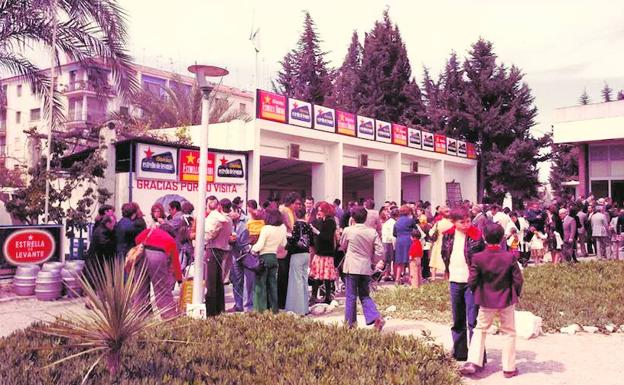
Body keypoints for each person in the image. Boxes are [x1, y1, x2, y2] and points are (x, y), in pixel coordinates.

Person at [460, 223, 523, 378]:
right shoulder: (509, 257)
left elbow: (472, 280)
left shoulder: (478, 257)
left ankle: (473, 362)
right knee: (509, 332)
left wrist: (478, 293)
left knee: (480, 329)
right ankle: (509, 368)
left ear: (483, 237)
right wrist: (516, 294)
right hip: (507, 299)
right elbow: (518, 280)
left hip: (486, 300)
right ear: (502, 238)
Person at [440, 207, 485, 362]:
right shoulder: (448, 236)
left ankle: (476, 356)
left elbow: (483, 259)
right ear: (453, 222)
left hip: (472, 283)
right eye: (462, 222)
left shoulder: (477, 236)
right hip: (455, 281)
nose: (466, 224)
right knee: (458, 319)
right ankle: (460, 353)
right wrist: (448, 271)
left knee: (473, 320)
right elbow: (444, 254)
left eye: (468, 221)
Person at [339, 206, 385, 331]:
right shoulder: (372, 232)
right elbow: (380, 251)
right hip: (365, 267)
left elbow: (342, 245)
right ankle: (376, 317)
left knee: (351, 296)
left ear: (352, 218)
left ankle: (350, 325)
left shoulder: (348, 230)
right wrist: (373, 260)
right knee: (365, 295)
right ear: (365, 218)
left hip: (351, 266)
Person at [134, 223, 183, 319]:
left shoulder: (149, 231)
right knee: (162, 289)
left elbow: (137, 239)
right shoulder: (170, 240)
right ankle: (169, 317)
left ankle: (141, 318)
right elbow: (175, 263)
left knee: (141, 289)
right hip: (157, 257)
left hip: (141, 255)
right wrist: (179, 280)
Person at [251, 208, 287, 313]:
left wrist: (252, 248)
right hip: (274, 257)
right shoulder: (282, 228)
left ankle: (260, 310)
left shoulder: (266, 228)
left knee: (260, 285)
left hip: (264, 257)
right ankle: (273, 309)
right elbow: (284, 243)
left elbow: (260, 245)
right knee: (272, 284)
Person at [204, 198, 233, 316]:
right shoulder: (229, 220)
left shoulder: (215, 217)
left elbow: (209, 235)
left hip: (212, 250)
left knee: (211, 283)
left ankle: (211, 312)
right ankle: (220, 309)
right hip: (221, 250)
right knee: (218, 282)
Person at [285, 208, 314, 315]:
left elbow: (294, 239)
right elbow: (312, 241)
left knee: (296, 280)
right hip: (306, 254)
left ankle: (297, 309)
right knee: (303, 279)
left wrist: (287, 240)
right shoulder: (308, 226)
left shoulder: (297, 225)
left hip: (297, 254)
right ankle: (305, 308)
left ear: (295, 214)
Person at [309, 202, 338, 305]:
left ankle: (327, 296)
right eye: (318, 210)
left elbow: (326, 236)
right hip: (319, 251)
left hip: (327, 252)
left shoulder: (330, 222)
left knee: (327, 277)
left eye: (321, 210)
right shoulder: (320, 221)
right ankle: (314, 296)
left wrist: (316, 232)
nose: (319, 212)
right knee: (316, 275)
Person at [278, 192, 302, 309]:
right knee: (284, 274)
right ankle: (282, 302)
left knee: (287, 274)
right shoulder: (285, 211)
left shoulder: (290, 211)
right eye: (297, 204)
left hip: (289, 245)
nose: (299, 206)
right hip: (285, 246)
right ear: (290, 203)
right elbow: (293, 228)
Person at [229, 206, 254, 312]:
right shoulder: (229, 223)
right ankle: (238, 304)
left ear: (237, 211)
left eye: (231, 211)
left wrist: (236, 240)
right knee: (236, 280)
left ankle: (249, 305)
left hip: (246, 254)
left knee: (249, 281)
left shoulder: (246, 223)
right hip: (235, 255)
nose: (229, 214)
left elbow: (248, 240)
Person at [85, 214, 116, 287]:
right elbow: (106, 246)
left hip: (95, 260)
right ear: (108, 223)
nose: (113, 227)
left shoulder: (101, 229)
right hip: (96, 261)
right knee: (98, 283)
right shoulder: (102, 232)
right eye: (113, 224)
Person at [429, 206, 453, 280]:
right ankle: (446, 278)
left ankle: (433, 277)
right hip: (447, 244)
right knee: (447, 261)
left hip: (438, 243)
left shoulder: (438, 224)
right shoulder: (452, 224)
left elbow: (430, 233)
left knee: (434, 261)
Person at [393, 205, 415, 285]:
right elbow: (415, 231)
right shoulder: (410, 220)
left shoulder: (397, 222)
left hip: (399, 241)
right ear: (408, 211)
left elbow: (394, 233)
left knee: (399, 261)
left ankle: (397, 279)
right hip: (409, 240)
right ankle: (411, 279)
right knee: (410, 260)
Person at [381, 207, 398, 281]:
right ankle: (394, 275)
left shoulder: (387, 222)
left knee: (387, 260)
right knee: (394, 260)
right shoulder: (393, 223)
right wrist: (395, 246)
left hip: (385, 241)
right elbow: (393, 235)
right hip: (390, 242)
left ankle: (386, 274)